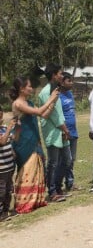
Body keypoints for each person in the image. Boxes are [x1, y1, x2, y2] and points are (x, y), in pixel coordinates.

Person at [9, 76, 59, 213]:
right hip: (24, 142)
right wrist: (49, 99)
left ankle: (35, 200)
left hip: (34, 140)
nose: (32, 88)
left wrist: (53, 101)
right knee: (27, 170)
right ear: (21, 88)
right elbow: (38, 112)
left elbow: (44, 115)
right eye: (29, 86)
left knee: (36, 170)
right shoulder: (18, 104)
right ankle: (23, 203)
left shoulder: (29, 102)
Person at [38, 63, 72, 202]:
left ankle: (58, 187)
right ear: (53, 75)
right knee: (53, 163)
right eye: (60, 73)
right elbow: (51, 115)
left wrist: (64, 129)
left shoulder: (56, 90)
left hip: (61, 131)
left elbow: (58, 112)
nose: (62, 75)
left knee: (67, 160)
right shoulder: (46, 92)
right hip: (53, 132)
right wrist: (64, 128)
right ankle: (52, 191)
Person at [55, 72, 80, 192]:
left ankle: (70, 182)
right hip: (64, 132)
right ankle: (57, 185)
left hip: (73, 132)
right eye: (69, 81)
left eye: (72, 80)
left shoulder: (70, 94)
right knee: (65, 160)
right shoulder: (57, 96)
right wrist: (64, 130)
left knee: (72, 159)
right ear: (61, 82)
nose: (71, 83)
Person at [0, 107, 17, 221]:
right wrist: (10, 128)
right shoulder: (6, 129)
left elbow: (12, 138)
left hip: (9, 166)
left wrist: (18, 127)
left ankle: (6, 210)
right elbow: (2, 142)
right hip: (1, 168)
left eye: (1, 116)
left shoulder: (4, 128)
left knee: (9, 189)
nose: (1, 119)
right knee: (1, 191)